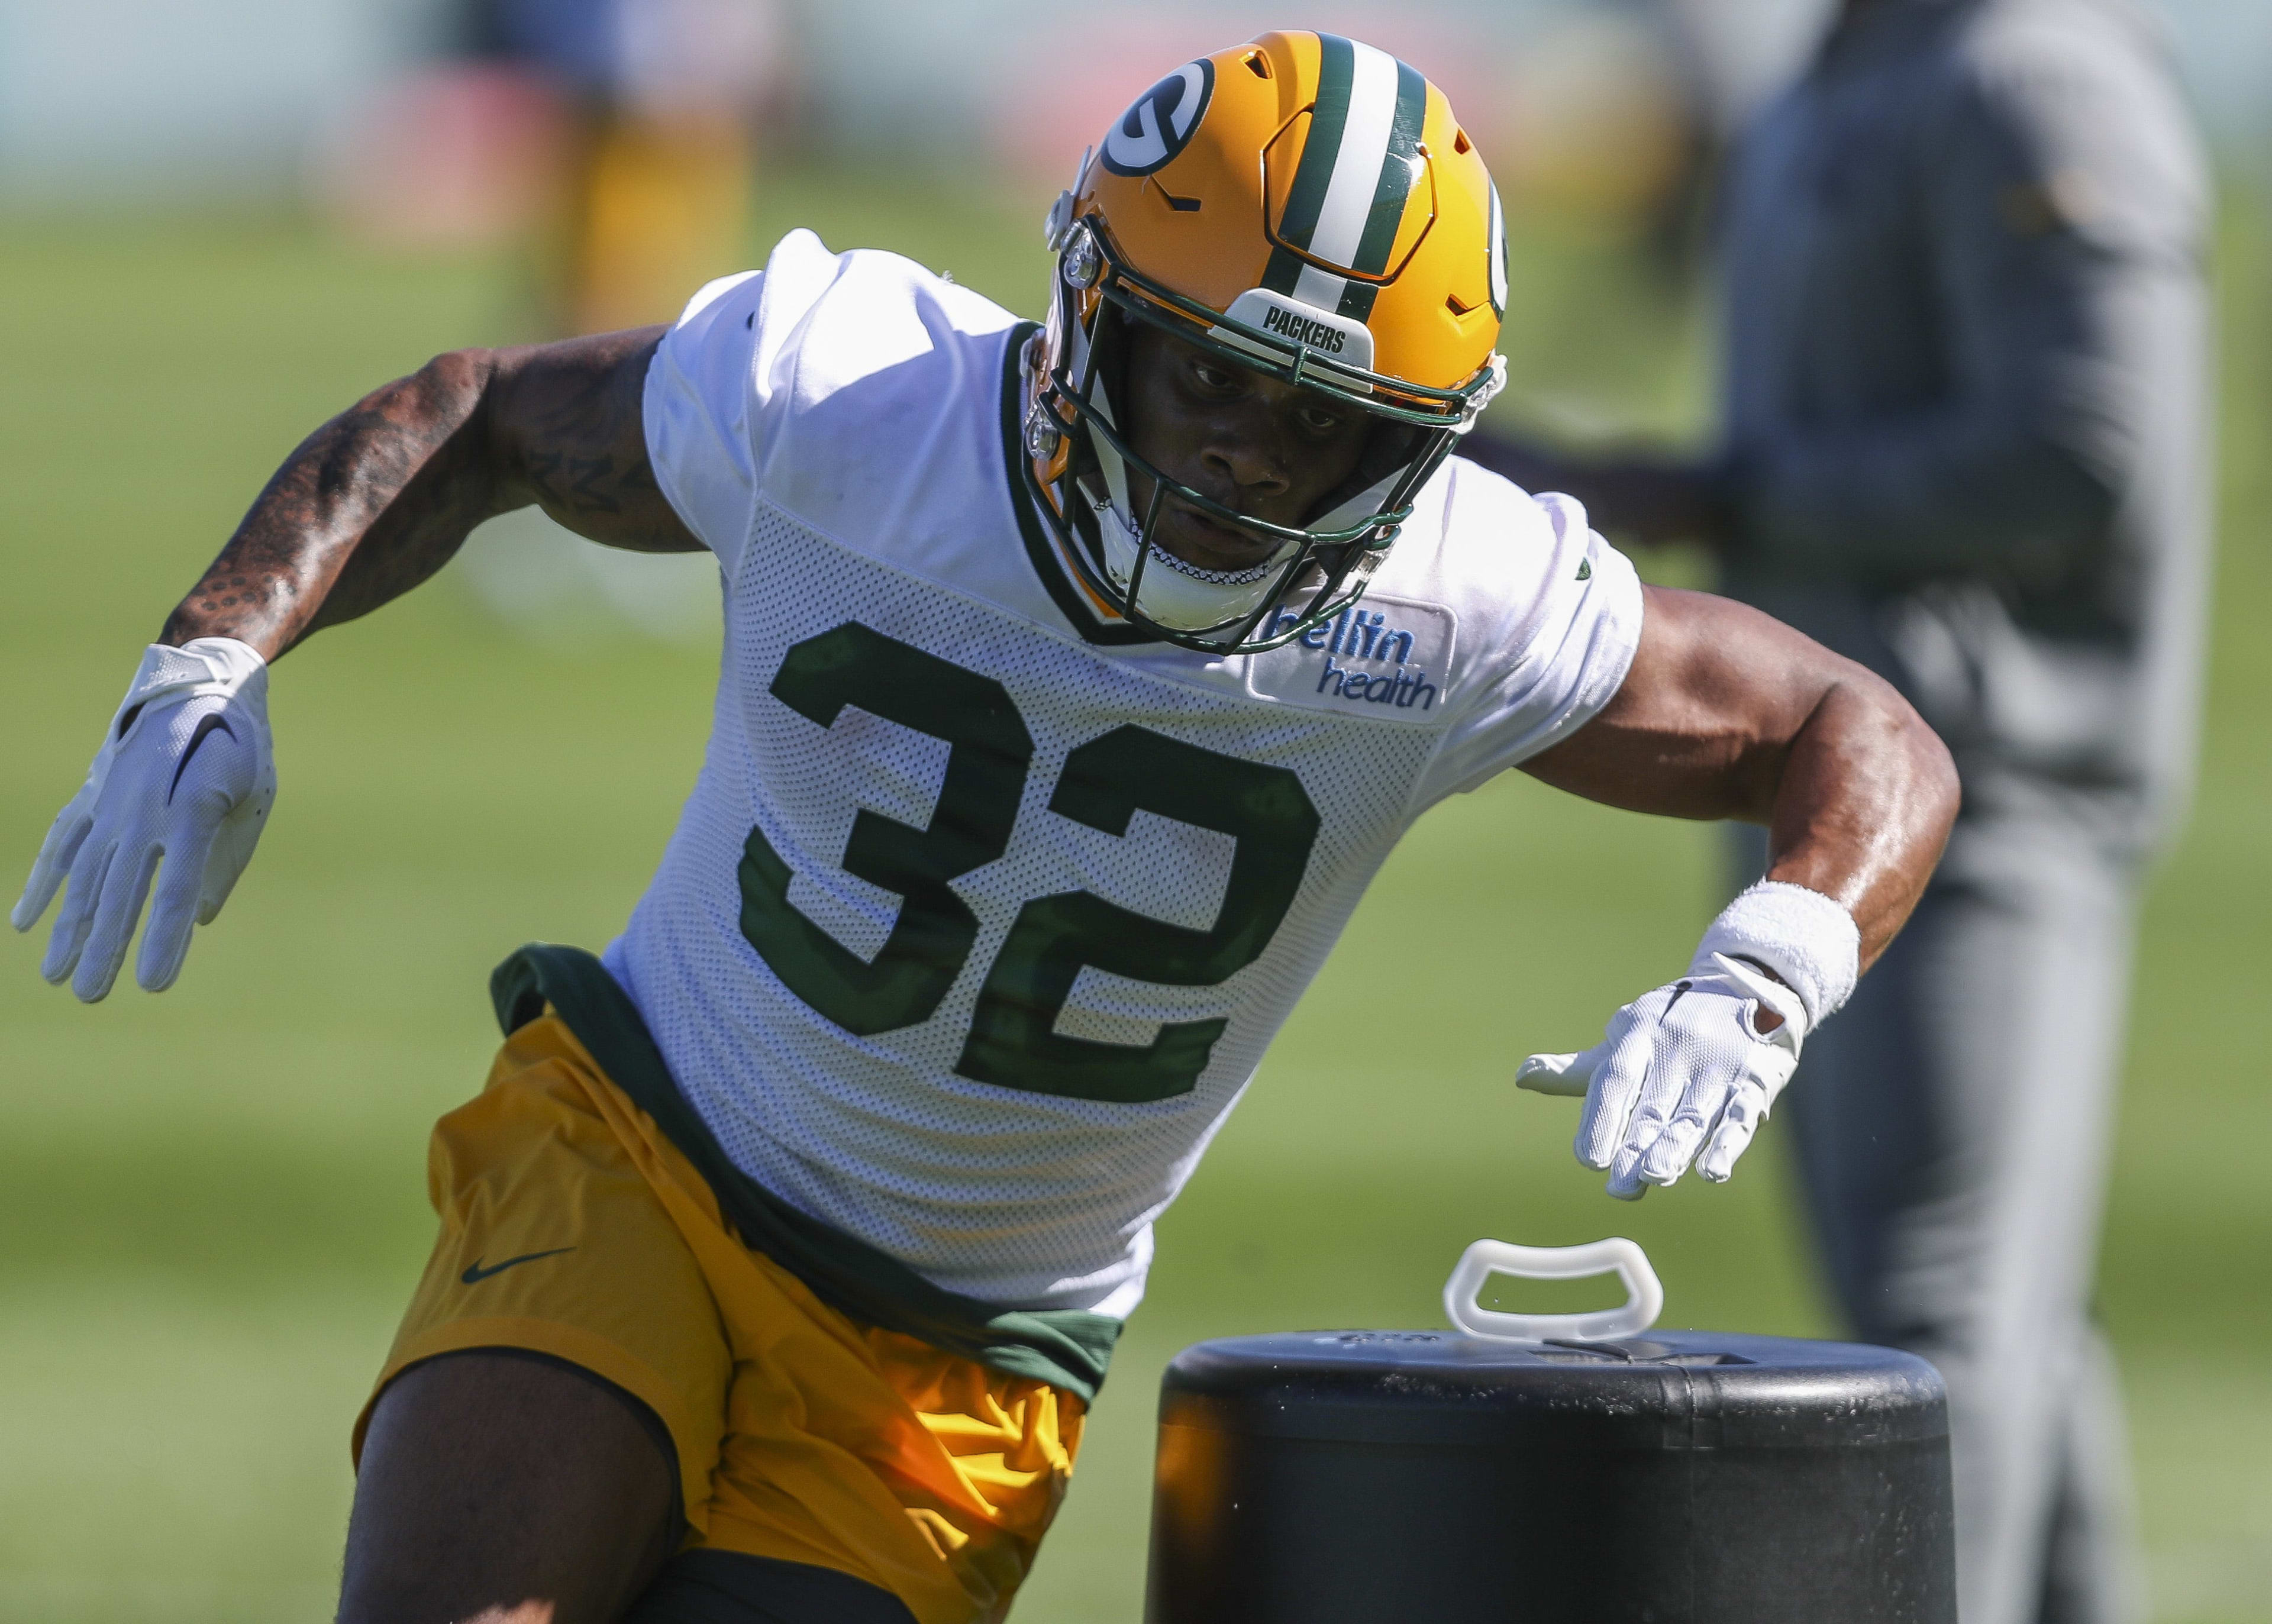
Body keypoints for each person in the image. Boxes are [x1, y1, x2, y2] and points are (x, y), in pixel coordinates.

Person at [13, 32, 1958, 1624]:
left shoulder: (1459, 596)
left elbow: (1859, 734)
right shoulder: (853, 397)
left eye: (1318, 421)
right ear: (1090, 309)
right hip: (644, 1148)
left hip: (963, 1350)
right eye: (1205, 369)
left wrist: (1771, 961)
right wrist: (209, 660)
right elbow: (484, 412)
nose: (1240, 454)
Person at [1468, 1, 2210, 1620]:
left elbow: (2088, 450)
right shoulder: (1844, 69)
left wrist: (1728, 491)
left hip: (1991, 791)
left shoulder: (2033, 71)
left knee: (1947, 1317)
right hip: (1840, 777)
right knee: (1997, 1312)